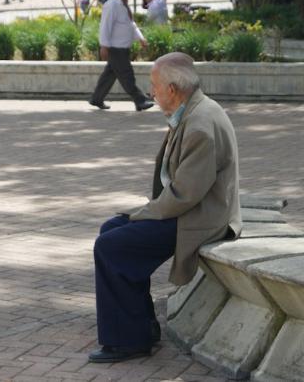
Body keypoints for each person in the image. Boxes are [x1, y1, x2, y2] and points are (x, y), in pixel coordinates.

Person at [88, 51, 242, 363]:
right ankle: (141, 326)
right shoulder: (191, 110)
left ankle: (129, 341)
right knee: (111, 232)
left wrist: (141, 214)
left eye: (154, 85)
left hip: (202, 217)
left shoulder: (200, 122)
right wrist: (140, 215)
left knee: (111, 246)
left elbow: (185, 194)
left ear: (172, 89)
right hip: (190, 208)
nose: (151, 92)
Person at [89, 0, 154, 112]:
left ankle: (97, 98)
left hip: (122, 48)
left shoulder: (122, 5)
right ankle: (140, 100)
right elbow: (105, 27)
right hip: (116, 49)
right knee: (127, 75)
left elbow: (130, 24)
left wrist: (140, 38)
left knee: (109, 75)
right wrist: (104, 46)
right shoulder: (111, 5)